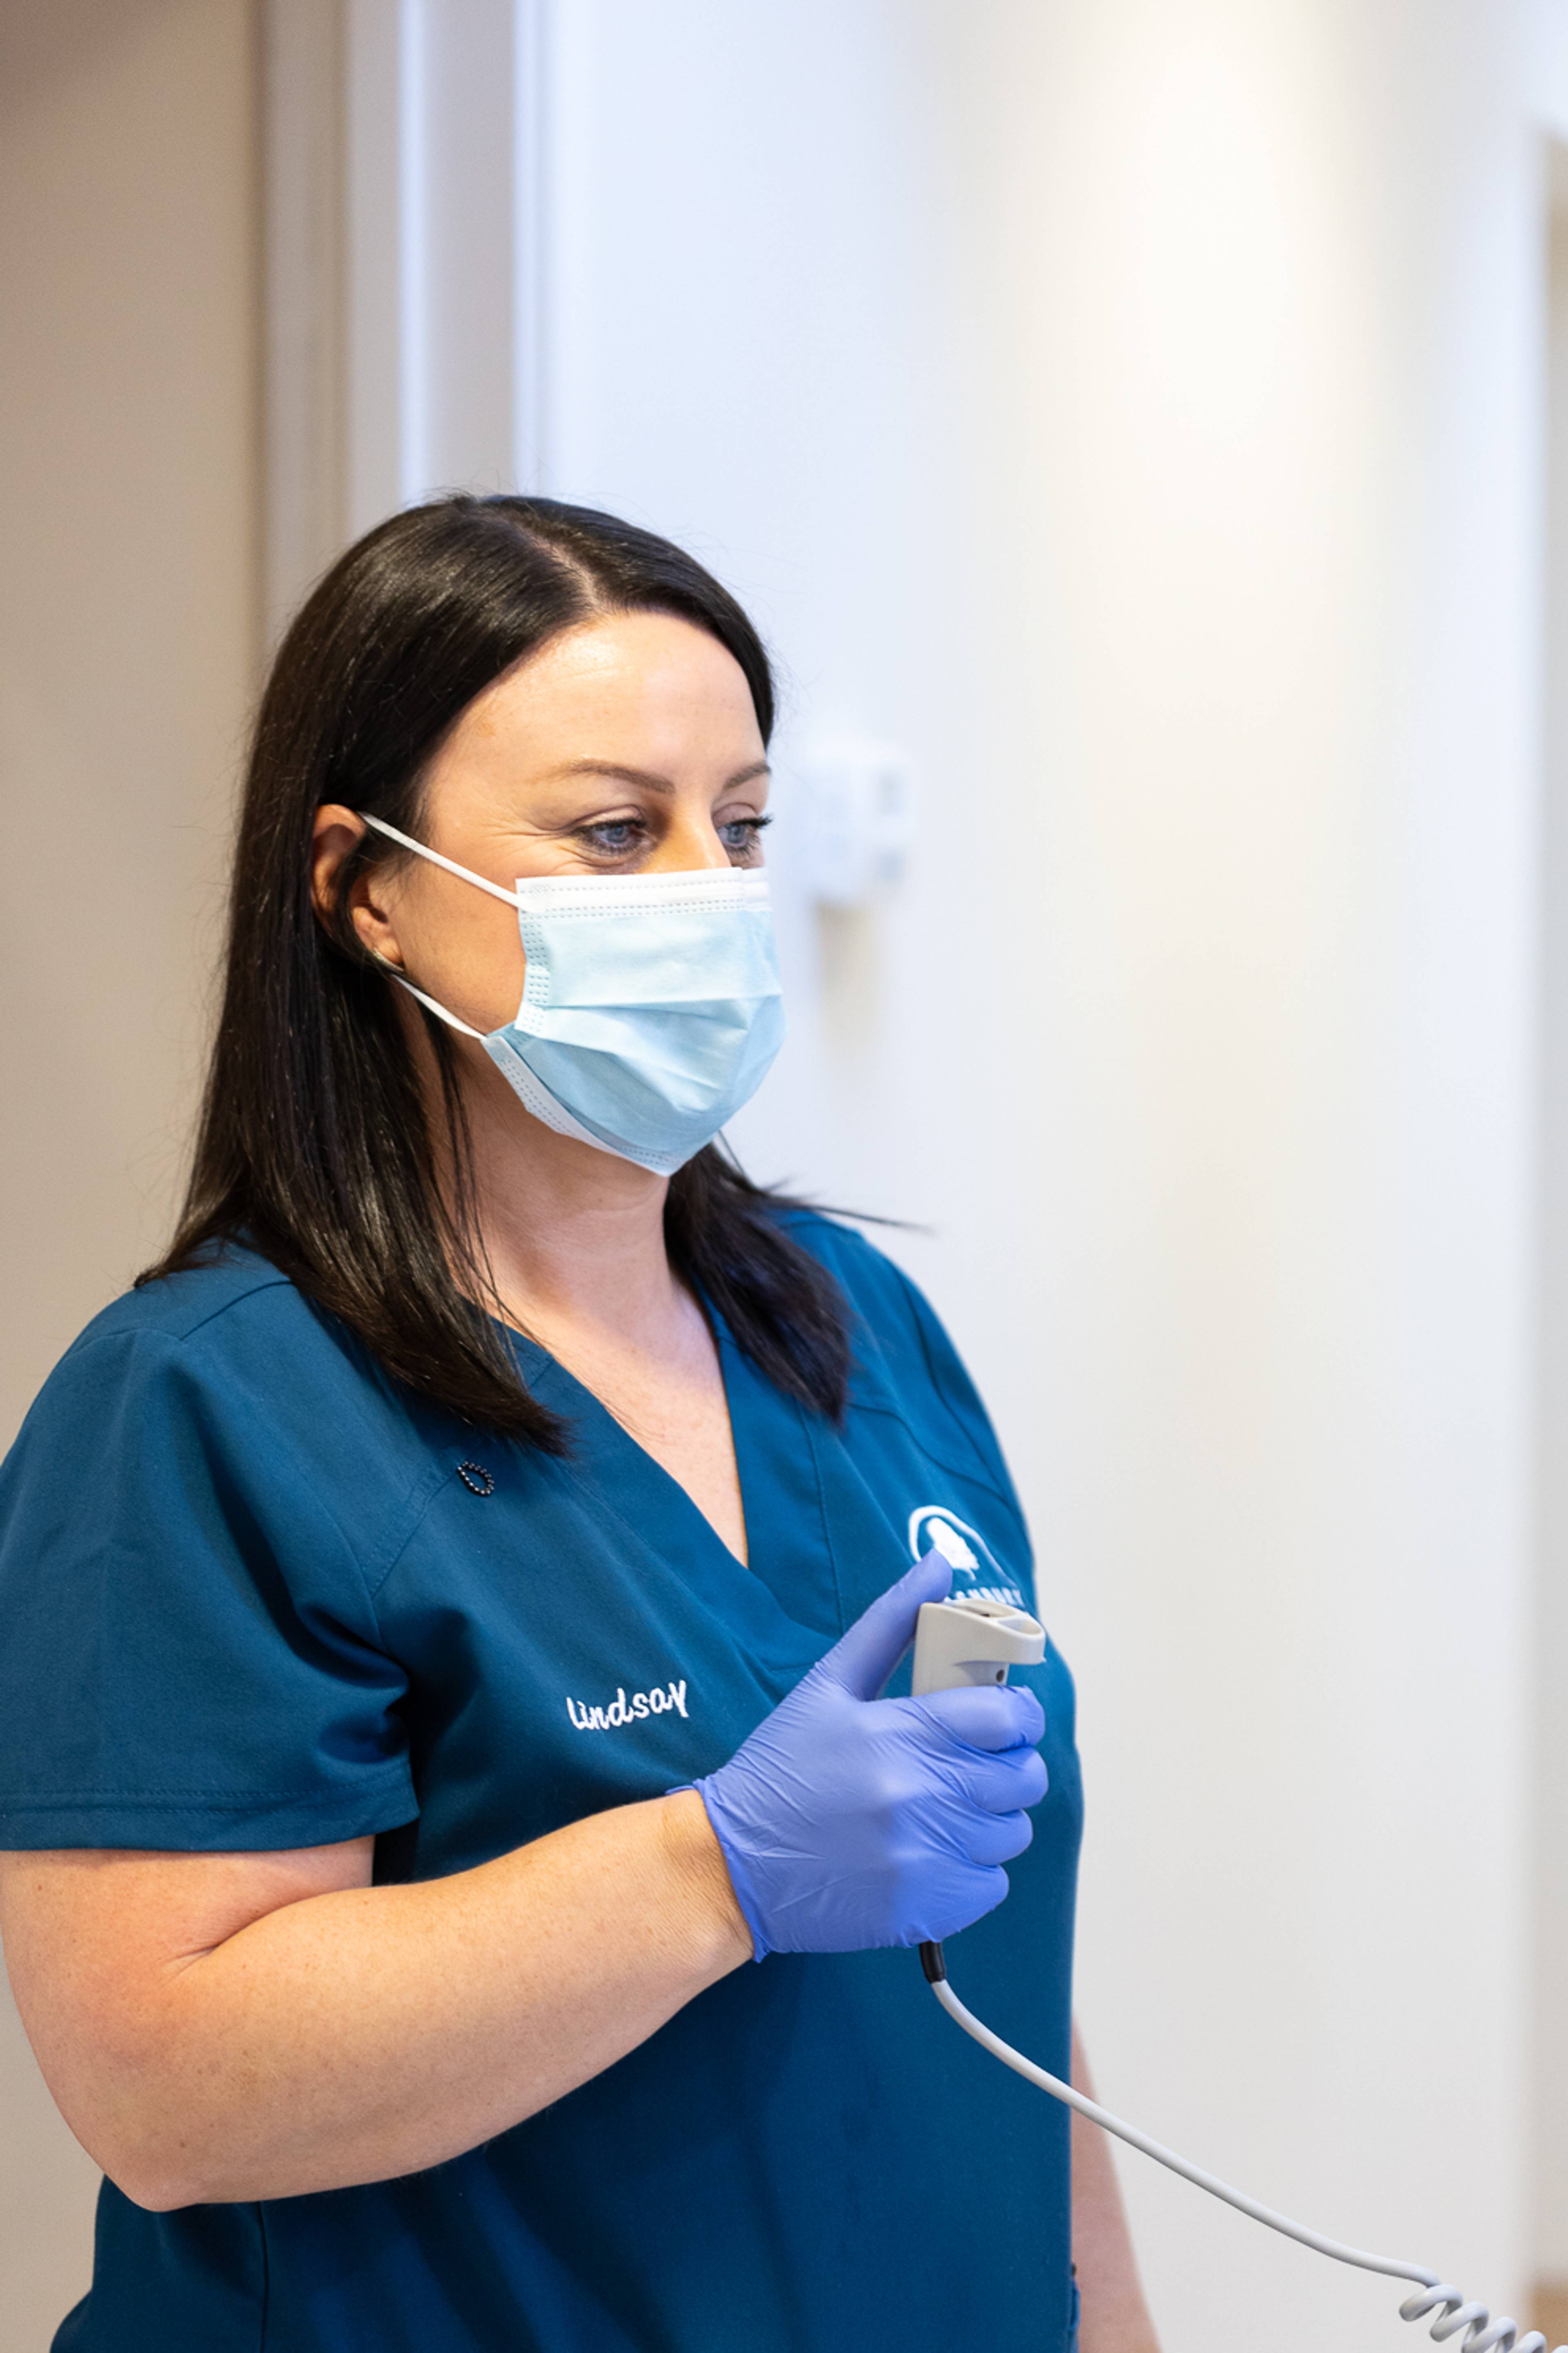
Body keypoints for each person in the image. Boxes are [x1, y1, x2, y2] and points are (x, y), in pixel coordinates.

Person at [0, 496, 1158, 2353]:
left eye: (742, 825)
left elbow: (992, 1970)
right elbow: (168, 2088)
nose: (706, 887)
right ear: (362, 884)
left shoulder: (861, 1337)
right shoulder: (207, 1407)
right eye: (617, 831)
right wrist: (710, 1870)